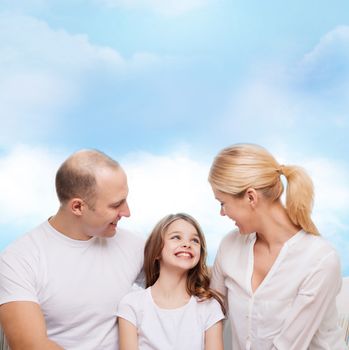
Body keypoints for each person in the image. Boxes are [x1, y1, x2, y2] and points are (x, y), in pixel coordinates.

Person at [0, 149, 144, 350]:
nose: (127, 212)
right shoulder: (19, 259)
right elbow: (30, 345)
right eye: (116, 205)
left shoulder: (134, 245)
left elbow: (181, 288)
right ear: (77, 207)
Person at [208, 143, 347, 350]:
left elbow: (288, 346)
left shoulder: (320, 260)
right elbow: (211, 314)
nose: (222, 213)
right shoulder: (230, 245)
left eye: (222, 203)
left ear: (251, 197)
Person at [117, 213, 225, 350]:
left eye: (195, 240)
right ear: (156, 251)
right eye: (176, 237)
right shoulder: (132, 305)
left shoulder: (209, 307)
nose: (187, 244)